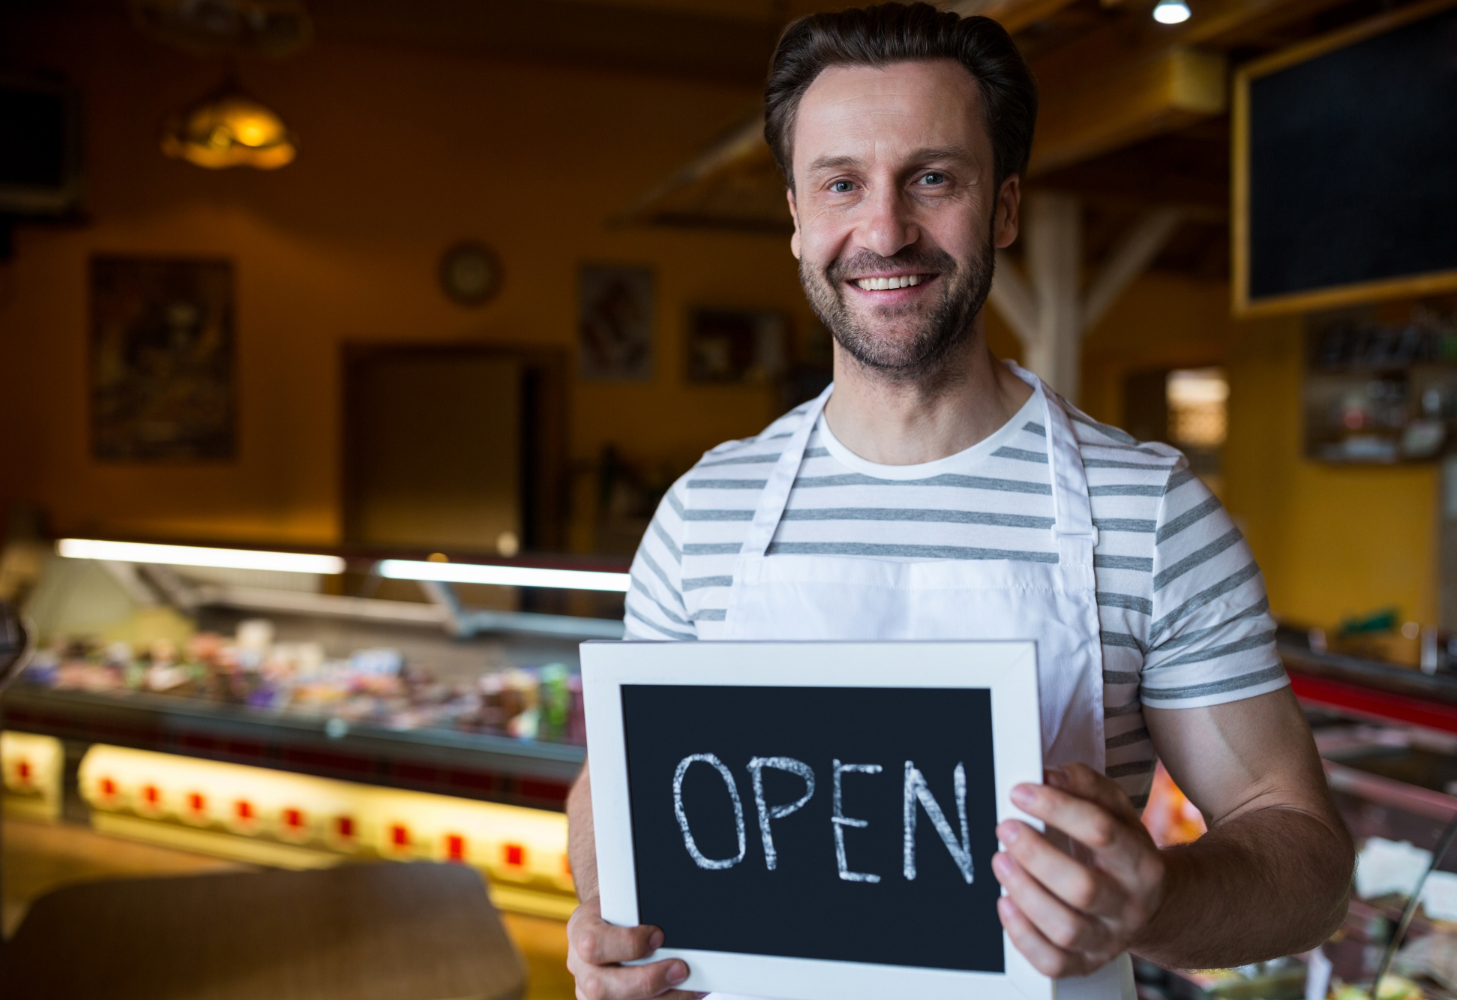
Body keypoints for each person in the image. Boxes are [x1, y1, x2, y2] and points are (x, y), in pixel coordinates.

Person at [565, 5, 1354, 999]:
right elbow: (618, 785)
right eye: (842, 182)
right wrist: (608, 917)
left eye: (933, 177)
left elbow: (1307, 860)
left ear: (1006, 206)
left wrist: (1152, 899)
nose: (885, 228)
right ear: (799, 221)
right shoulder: (702, 514)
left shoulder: (1149, 511)